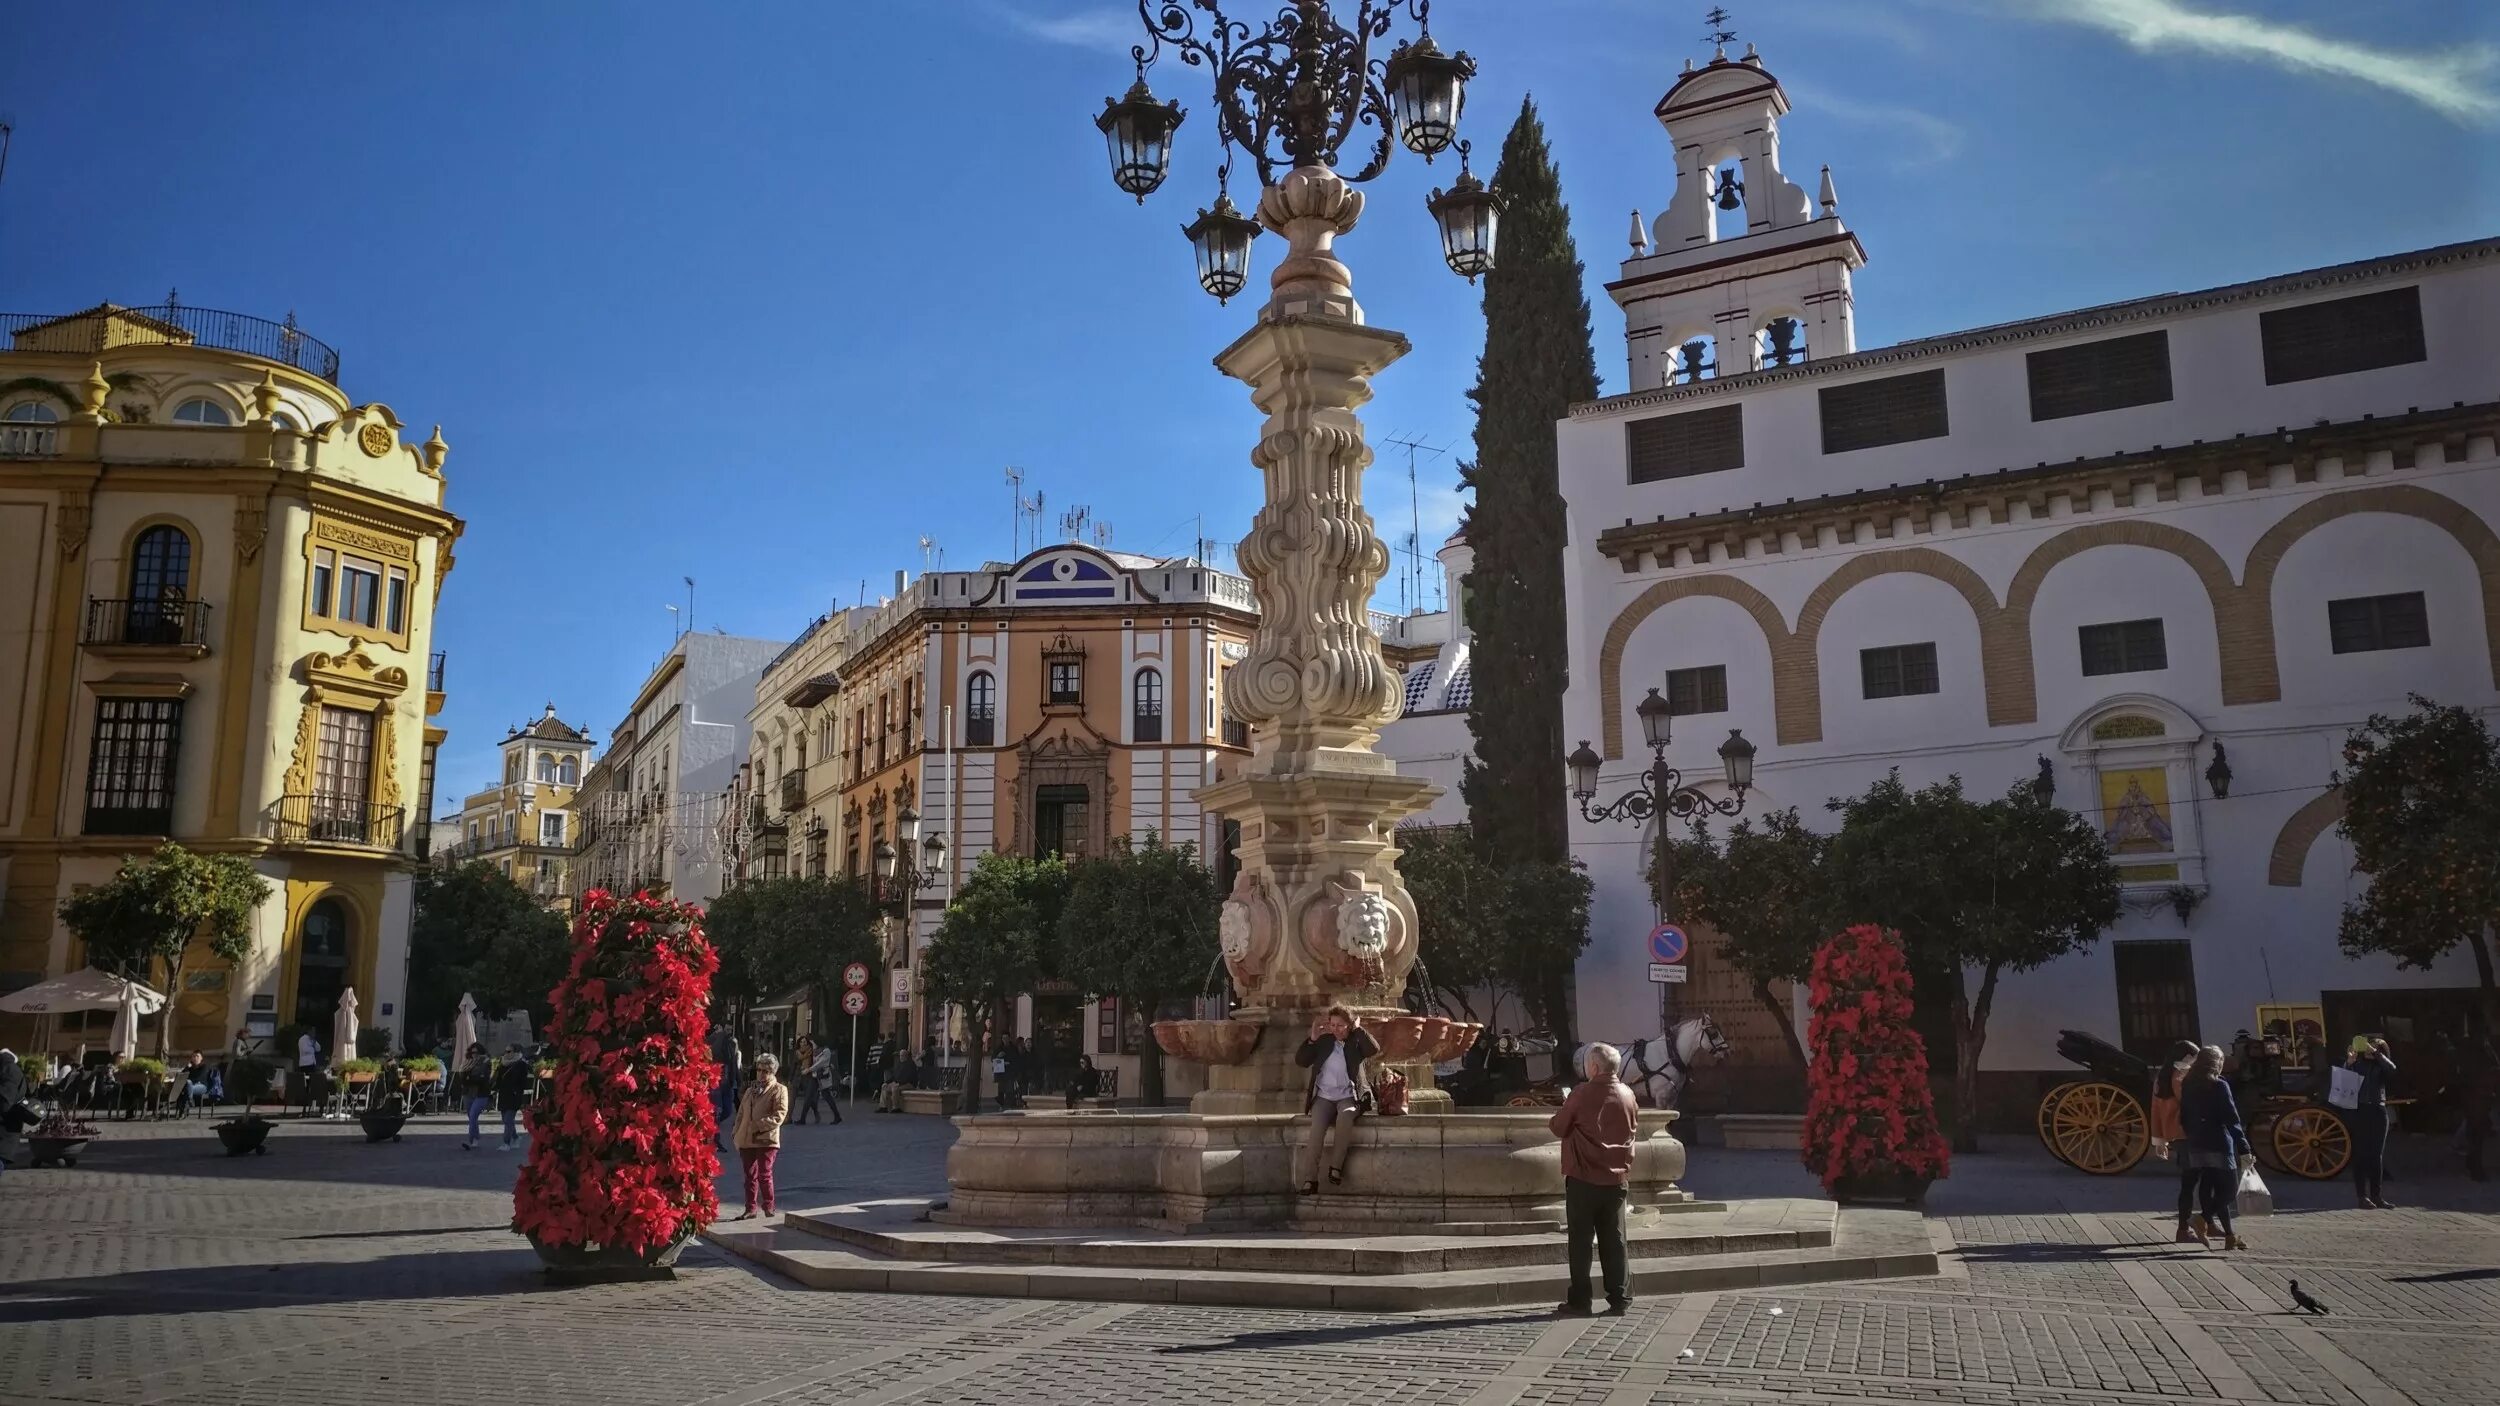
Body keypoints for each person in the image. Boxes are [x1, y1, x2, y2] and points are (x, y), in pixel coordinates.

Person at [1549, 1042, 1640, 1316]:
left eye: (1588, 1064)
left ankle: (1580, 1300)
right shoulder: (1628, 1094)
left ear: (1594, 1067)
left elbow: (1558, 1126)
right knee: (1615, 1240)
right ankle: (1620, 1298)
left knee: (1581, 1242)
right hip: (1617, 1180)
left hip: (1583, 1177)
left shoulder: (1581, 1093)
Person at [1293, 1005, 1378, 1194]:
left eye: (1341, 1025)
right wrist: (1312, 1039)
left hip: (1349, 1096)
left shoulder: (1356, 1041)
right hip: (1324, 1097)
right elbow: (1301, 1061)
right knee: (1316, 1132)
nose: (1336, 1029)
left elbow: (1373, 1049)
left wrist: (1358, 1029)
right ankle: (1310, 1180)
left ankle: (1336, 1168)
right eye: (1332, 1025)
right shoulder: (1324, 1042)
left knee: (1346, 1116)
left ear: (1349, 1025)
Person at [2179, 1044, 2253, 1250]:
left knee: (2210, 1188)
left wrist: (2193, 1134)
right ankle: (2202, 1219)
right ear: (2216, 1064)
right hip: (2219, 1143)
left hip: (2196, 1143)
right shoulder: (2219, 1085)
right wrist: (2244, 1147)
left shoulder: (2188, 1083)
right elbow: (2231, 1119)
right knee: (2228, 1192)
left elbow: (2183, 1116)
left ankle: (2230, 1235)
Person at [2146, 1040, 2203, 1243]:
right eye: (2196, 1057)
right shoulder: (2181, 1075)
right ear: (2187, 1057)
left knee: (2188, 1182)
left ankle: (2189, 1226)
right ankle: (2189, 1226)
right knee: (2199, 1181)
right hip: (2189, 1131)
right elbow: (2190, 1102)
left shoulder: (2161, 1077)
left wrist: (2160, 1139)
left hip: (2174, 1134)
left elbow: (2155, 1110)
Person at [731, 1053, 789, 1219]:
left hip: (766, 1138)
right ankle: (750, 1209)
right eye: (759, 1070)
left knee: (764, 1174)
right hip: (747, 1139)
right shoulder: (751, 1090)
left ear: (773, 1072)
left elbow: (780, 1115)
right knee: (749, 1176)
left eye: (766, 1071)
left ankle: (769, 1206)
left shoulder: (779, 1090)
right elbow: (741, 1112)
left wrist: (758, 1125)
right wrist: (736, 1130)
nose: (761, 1074)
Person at [2345, 1035, 2397, 1208]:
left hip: (2377, 1110)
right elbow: (2344, 1082)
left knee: (2376, 1156)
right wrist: (2349, 1063)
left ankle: (2377, 1196)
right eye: (2367, 1046)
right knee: (2359, 1154)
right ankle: (2362, 1196)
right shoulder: (2357, 1065)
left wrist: (2377, 1054)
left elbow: (2392, 1069)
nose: (2368, 1049)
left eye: (2373, 1046)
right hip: (2360, 1110)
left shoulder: (2380, 1066)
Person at [708, 1018, 742, 1150]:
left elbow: (734, 1062)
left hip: (728, 1081)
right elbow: (714, 1051)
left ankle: (710, 1128)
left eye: (730, 1030)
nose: (729, 1032)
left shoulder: (732, 1042)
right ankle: (715, 1139)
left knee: (727, 1110)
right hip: (717, 1080)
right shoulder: (715, 1038)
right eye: (727, 1029)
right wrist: (720, 1035)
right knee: (717, 1111)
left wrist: (738, 1080)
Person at [493, 1046, 532, 1152]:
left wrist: (517, 1090)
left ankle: (506, 1143)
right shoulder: (503, 1063)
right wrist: (495, 1088)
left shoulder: (521, 1064)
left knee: (508, 1119)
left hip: (514, 1095)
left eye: (509, 1051)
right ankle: (516, 1137)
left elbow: (523, 1081)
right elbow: (498, 1079)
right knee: (505, 1119)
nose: (506, 1053)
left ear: (516, 1052)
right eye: (505, 1051)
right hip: (503, 1094)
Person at [458, 1042, 495, 1152]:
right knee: (471, 1117)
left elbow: (482, 1078)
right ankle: (476, 1138)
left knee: (473, 1115)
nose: (474, 1055)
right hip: (468, 1092)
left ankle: (472, 1140)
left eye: (476, 1052)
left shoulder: (486, 1062)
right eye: (472, 1052)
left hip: (481, 1093)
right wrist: (469, 1078)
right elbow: (462, 1078)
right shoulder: (467, 1063)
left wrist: (469, 1078)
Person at [803, 1036, 840, 1124]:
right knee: (808, 1096)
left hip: (822, 1076)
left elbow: (820, 1063)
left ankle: (837, 1116)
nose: (812, 1045)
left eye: (813, 1043)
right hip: (815, 1076)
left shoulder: (826, 1051)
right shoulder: (815, 1051)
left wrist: (809, 1069)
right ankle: (802, 1118)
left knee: (827, 1097)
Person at [175, 1051, 212, 1116]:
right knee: (186, 1088)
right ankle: (188, 1102)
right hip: (190, 1086)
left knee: (187, 1084)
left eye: (197, 1056)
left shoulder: (204, 1067)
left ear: (201, 1058)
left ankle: (184, 1109)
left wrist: (189, 1081)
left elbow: (198, 1077)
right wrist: (187, 1067)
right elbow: (182, 1075)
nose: (195, 1058)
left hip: (202, 1086)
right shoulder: (191, 1068)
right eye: (194, 1056)